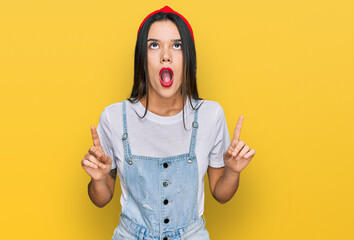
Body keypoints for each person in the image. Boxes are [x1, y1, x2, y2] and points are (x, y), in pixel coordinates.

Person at [81, 5, 256, 240]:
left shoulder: (210, 115)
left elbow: (220, 193)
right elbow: (101, 199)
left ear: (189, 58)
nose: (166, 55)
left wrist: (233, 172)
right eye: (154, 45)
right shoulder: (114, 118)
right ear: (142, 59)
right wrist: (99, 179)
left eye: (177, 45)